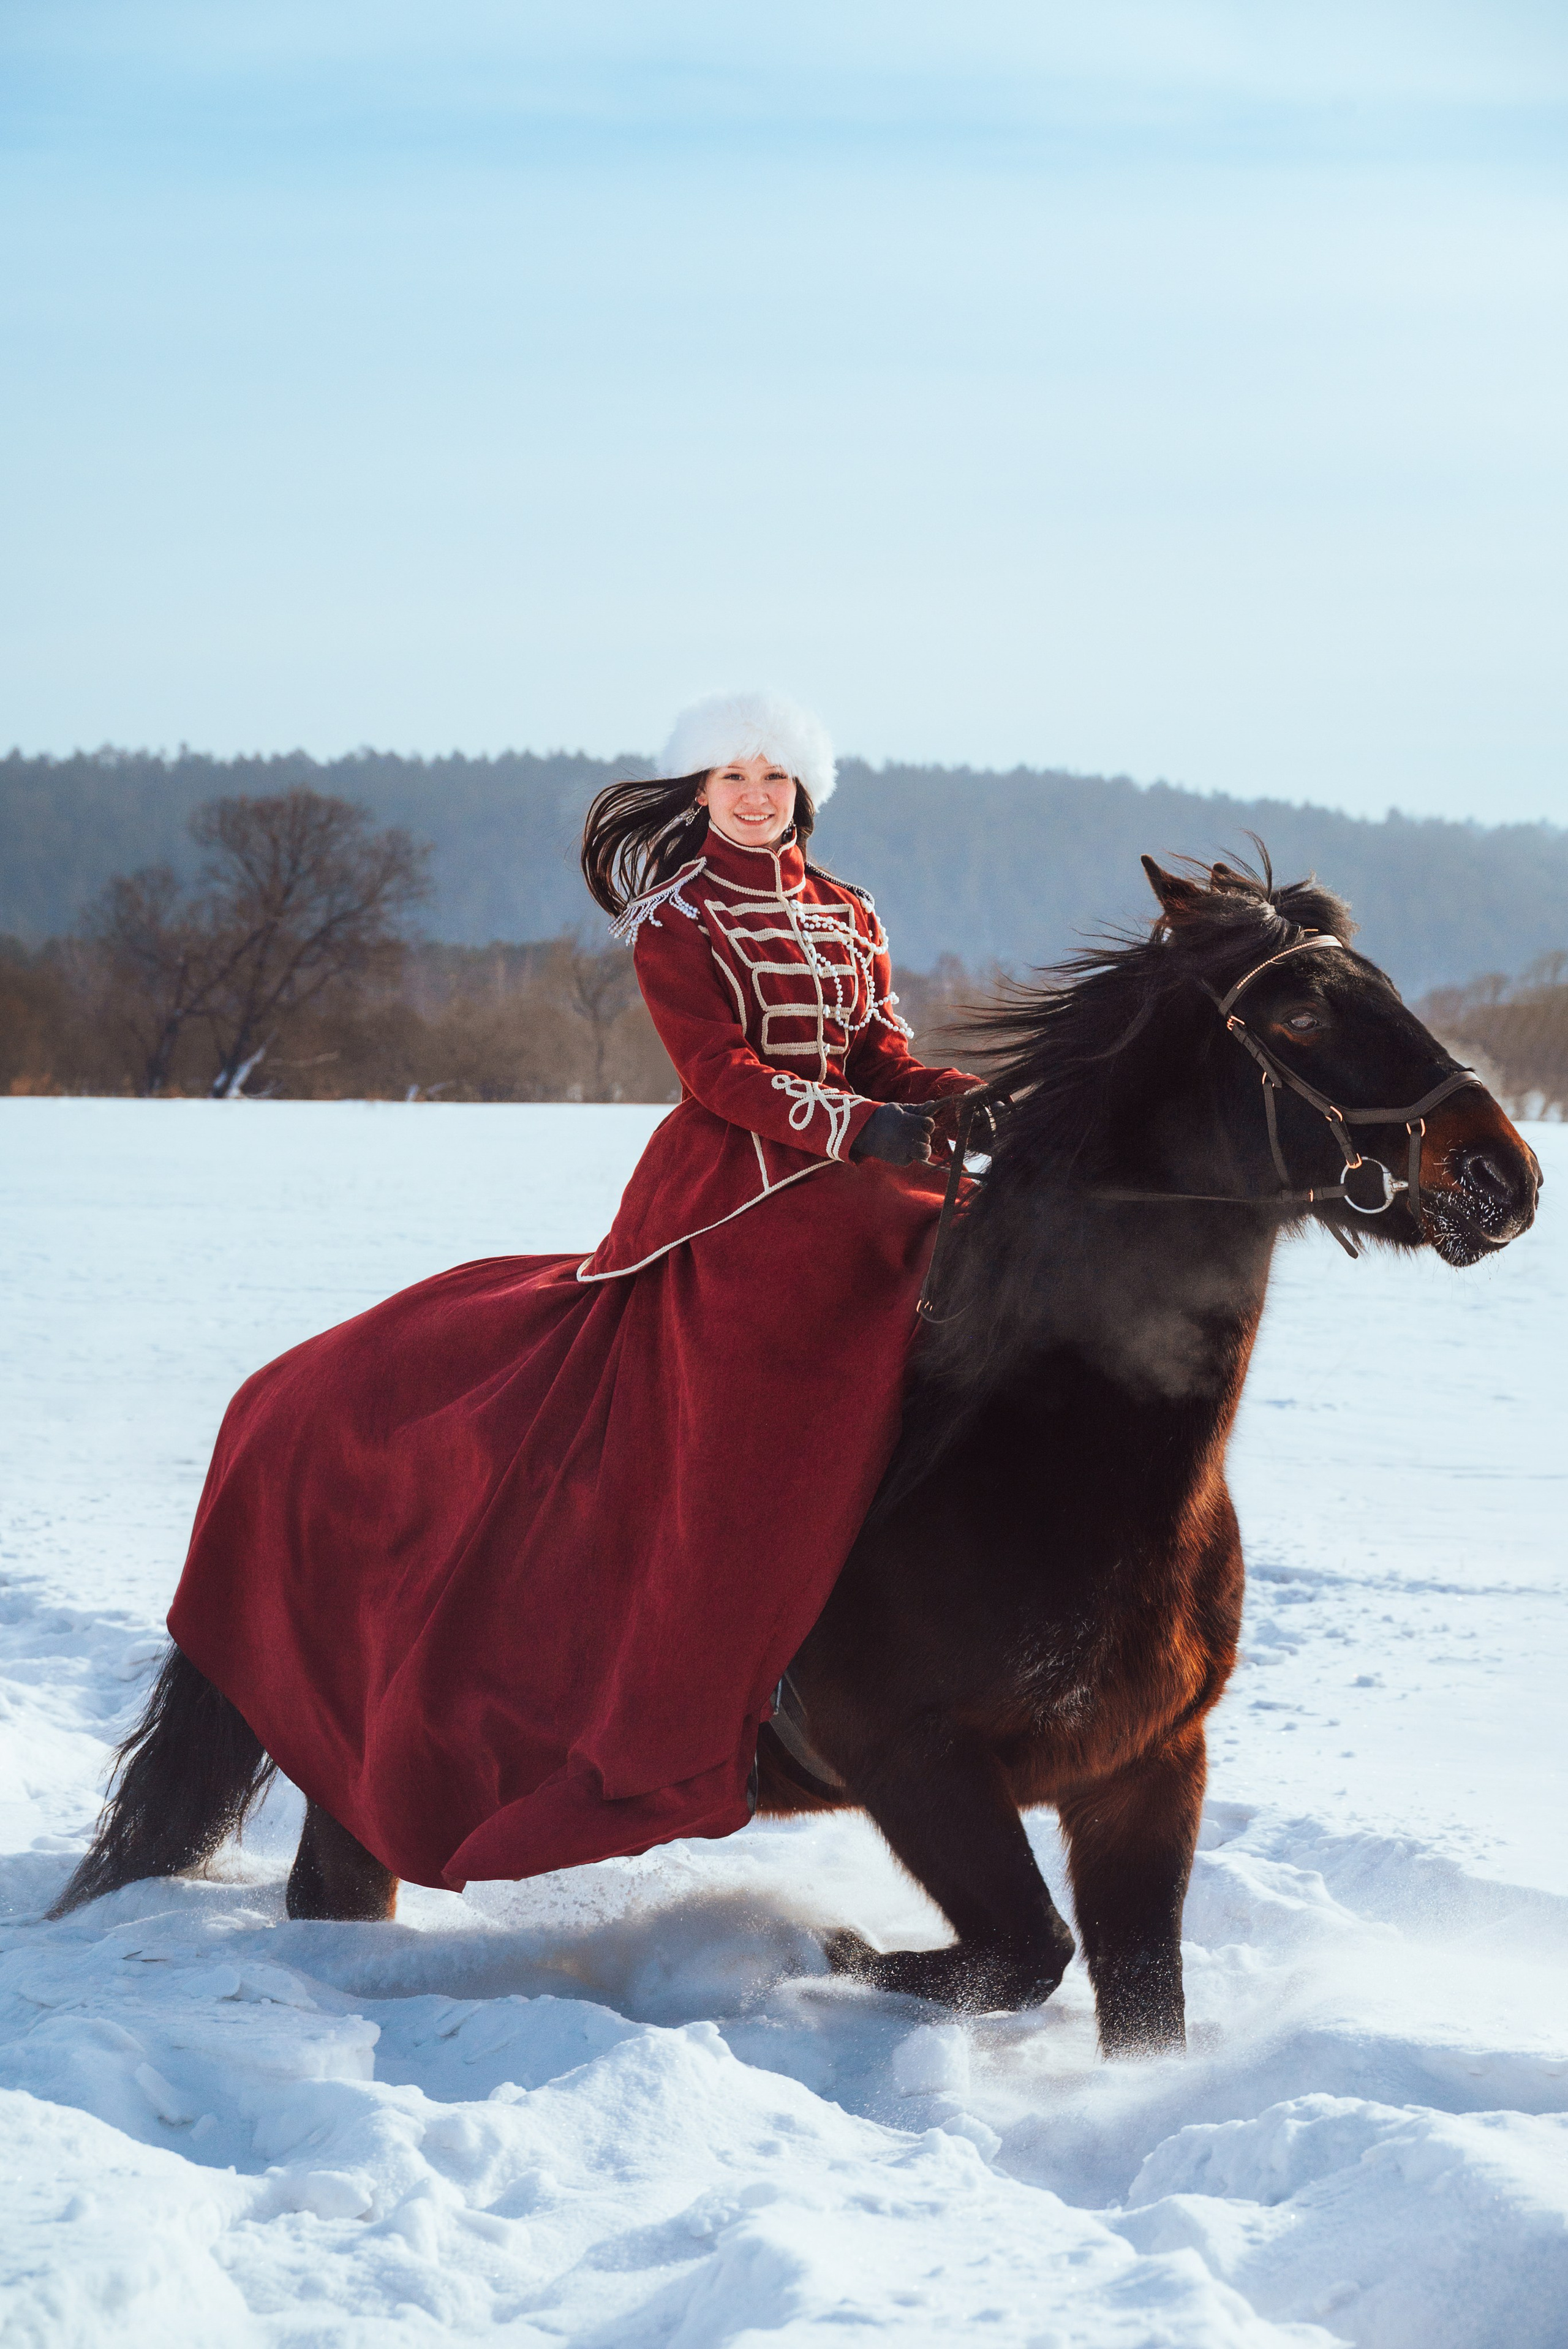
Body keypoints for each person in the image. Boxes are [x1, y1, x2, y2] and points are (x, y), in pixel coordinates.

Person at [167, 690, 979, 1896]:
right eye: (730, 778)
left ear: (804, 791)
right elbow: (719, 1071)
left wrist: (957, 1095)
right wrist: (861, 1128)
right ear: (698, 794)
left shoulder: (847, 912)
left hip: (865, 1171)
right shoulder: (677, 915)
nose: (754, 795)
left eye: (774, 777)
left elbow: (876, 1050)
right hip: (744, 1190)